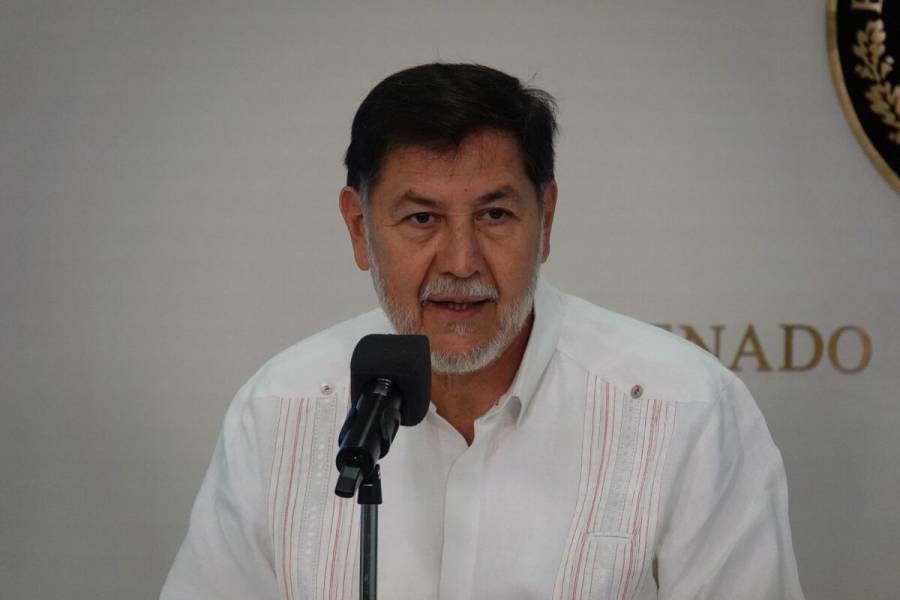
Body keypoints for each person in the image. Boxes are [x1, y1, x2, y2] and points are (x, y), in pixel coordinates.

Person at [161, 63, 805, 599]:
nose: (461, 261)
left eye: (495, 214)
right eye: (421, 218)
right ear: (359, 228)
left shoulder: (685, 410)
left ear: (545, 220)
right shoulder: (279, 410)